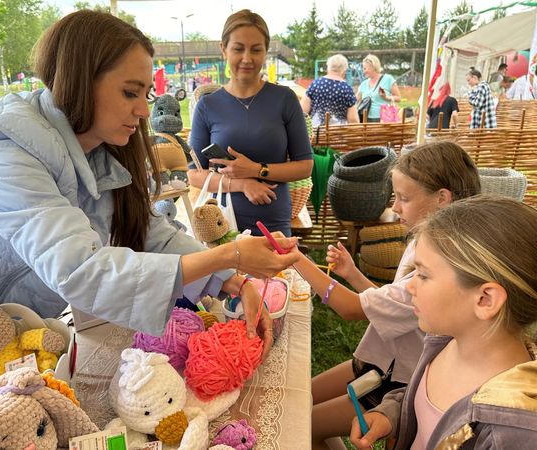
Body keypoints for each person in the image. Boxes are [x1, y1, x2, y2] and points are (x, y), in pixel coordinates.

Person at [0, 10, 300, 356]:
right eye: (130, 92)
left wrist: (231, 279)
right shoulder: (6, 142)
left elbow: (148, 231)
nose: (143, 110)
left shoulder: (96, 147)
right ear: (81, 81)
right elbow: (78, 270)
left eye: (146, 95)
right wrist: (229, 254)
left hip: (0, 332)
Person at [296, 142, 481, 450]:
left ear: (442, 199)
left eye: (404, 198)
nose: (394, 207)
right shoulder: (423, 243)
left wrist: (297, 260)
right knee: (300, 400)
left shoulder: (440, 266)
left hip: (396, 381)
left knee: (304, 423)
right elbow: (390, 303)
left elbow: (353, 309)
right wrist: (353, 274)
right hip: (380, 362)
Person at [350, 196, 537, 450]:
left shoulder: (513, 431)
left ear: (485, 299)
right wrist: (391, 414)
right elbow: (423, 401)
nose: (410, 286)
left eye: (423, 275)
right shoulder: (445, 341)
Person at [188, 9, 313, 236]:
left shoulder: (285, 99)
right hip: (221, 227)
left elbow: (305, 166)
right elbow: (194, 174)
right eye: (238, 49)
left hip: (274, 226)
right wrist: (242, 183)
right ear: (223, 49)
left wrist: (257, 169)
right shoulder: (207, 106)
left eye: (256, 49)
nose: (247, 58)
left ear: (266, 51)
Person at [300, 54, 359, 126]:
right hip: (338, 130)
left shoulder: (315, 84)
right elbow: (353, 120)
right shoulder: (347, 89)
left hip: (316, 130)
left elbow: (303, 111)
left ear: (328, 68)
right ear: (344, 71)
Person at [356, 54, 401, 123]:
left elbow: (398, 98)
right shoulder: (363, 84)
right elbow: (355, 100)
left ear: (373, 67)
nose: (363, 71)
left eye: (365, 68)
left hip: (383, 120)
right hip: (366, 120)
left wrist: (386, 97)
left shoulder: (388, 79)